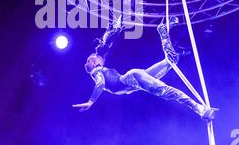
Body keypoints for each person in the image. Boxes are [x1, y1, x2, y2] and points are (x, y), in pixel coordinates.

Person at [72, 17, 218, 122]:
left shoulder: (96, 72)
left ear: (97, 61)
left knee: (166, 91)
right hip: (135, 81)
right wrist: (113, 30)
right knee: (172, 60)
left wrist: (91, 101)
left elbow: (100, 84)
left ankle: (200, 109)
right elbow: (105, 48)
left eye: (88, 60)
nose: (86, 64)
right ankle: (162, 31)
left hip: (133, 78)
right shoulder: (99, 69)